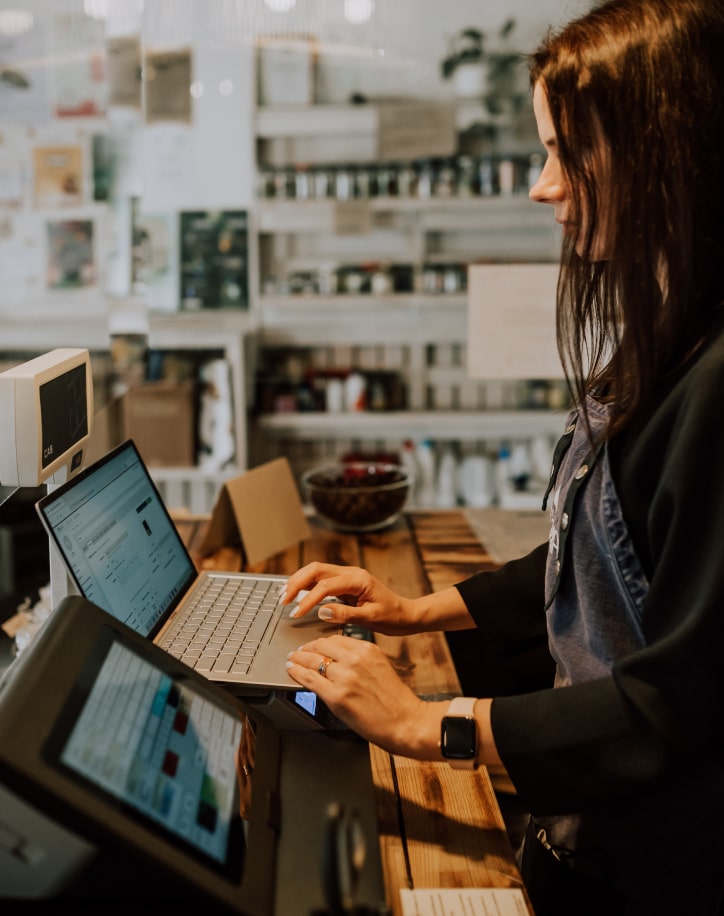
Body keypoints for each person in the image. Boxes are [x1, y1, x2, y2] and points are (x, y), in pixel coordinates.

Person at [282, 0, 724, 913]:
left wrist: (424, 724)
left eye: (565, 151)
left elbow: (675, 702)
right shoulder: (671, 334)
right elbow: (600, 559)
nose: (542, 185)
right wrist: (418, 610)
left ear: (667, 151)